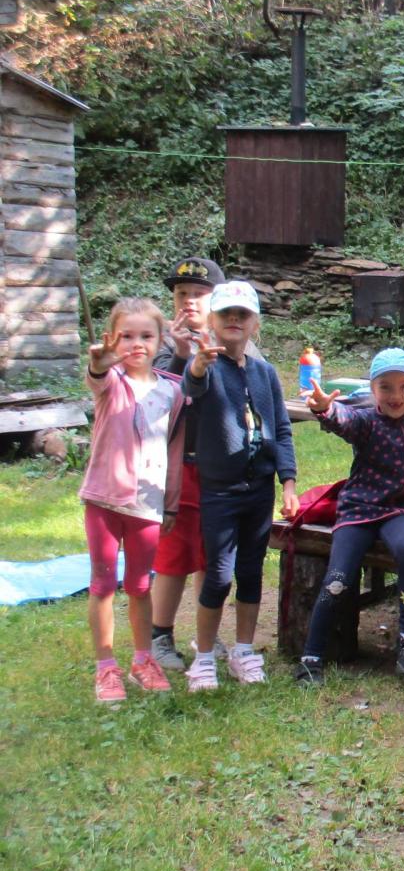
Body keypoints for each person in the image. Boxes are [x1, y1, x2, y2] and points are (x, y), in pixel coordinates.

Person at [182, 281, 299, 691]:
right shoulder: (206, 366)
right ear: (212, 322)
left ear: (255, 325)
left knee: (251, 571)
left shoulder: (265, 373)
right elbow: (191, 388)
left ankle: (244, 651)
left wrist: (288, 483)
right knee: (218, 574)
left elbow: (281, 430)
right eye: (226, 314)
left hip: (259, 490)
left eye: (243, 314)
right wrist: (198, 366)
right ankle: (203, 658)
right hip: (220, 491)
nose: (234, 319)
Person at [294, 348, 404, 686]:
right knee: (338, 577)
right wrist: (325, 409)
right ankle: (311, 656)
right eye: (385, 387)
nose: (395, 395)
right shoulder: (367, 421)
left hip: (400, 511)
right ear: (372, 389)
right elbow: (344, 419)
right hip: (359, 511)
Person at [79, 298, 185, 701]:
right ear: (112, 338)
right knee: (104, 583)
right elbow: (96, 377)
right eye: (126, 336)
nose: (136, 344)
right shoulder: (111, 381)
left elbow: (175, 448)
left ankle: (143, 660)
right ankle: (106, 667)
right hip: (104, 500)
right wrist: (100, 363)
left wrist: (170, 502)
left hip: (148, 504)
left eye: (146, 336)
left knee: (140, 585)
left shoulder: (172, 390)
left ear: (160, 341)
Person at [149, 257, 251, 670]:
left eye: (198, 294)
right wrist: (180, 356)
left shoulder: (235, 337)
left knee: (213, 553)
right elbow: (158, 400)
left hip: (222, 469)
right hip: (181, 465)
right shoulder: (160, 343)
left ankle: (206, 634)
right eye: (181, 294)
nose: (188, 301)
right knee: (174, 554)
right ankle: (159, 636)